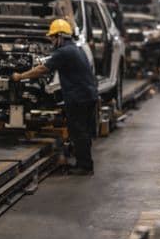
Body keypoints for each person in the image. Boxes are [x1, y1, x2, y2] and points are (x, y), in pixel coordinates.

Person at [12, 18, 98, 175]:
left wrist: (20, 76)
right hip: (88, 95)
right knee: (82, 132)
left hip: (79, 97)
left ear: (60, 36)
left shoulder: (63, 52)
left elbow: (41, 70)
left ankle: (84, 166)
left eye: (52, 37)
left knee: (78, 132)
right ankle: (84, 163)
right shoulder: (76, 49)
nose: (51, 41)